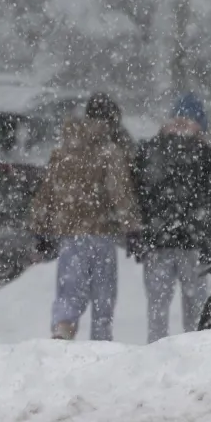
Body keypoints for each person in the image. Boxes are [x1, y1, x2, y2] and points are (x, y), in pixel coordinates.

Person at [29, 93, 142, 340]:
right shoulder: (109, 151)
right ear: (112, 120)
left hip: (70, 235)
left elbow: (46, 191)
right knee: (103, 297)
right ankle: (100, 346)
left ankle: (62, 330)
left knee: (69, 291)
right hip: (100, 233)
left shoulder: (63, 150)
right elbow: (119, 193)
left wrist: (41, 229)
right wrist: (131, 227)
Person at [131, 93, 211, 343]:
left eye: (189, 118)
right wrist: (137, 234)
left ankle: (190, 353)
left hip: (187, 244)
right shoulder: (151, 151)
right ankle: (161, 356)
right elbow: (137, 197)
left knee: (190, 311)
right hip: (160, 243)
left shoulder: (201, 156)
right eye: (179, 117)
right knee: (161, 310)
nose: (182, 122)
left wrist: (210, 241)